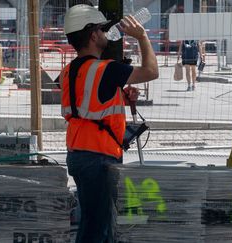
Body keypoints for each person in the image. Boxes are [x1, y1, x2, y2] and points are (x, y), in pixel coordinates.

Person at [60, 4, 158, 243]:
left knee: (97, 222)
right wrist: (142, 36)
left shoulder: (69, 71)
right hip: (98, 157)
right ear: (93, 35)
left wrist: (120, 97)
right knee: (97, 228)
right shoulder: (106, 69)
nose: (106, 34)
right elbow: (151, 71)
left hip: (78, 153)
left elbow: (87, 105)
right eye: (102, 30)